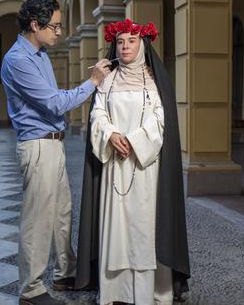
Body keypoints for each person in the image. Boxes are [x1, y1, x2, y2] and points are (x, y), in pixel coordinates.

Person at [0, 0, 111, 305]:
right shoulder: (18, 60)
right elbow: (54, 103)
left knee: (62, 213)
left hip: (54, 144)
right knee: (38, 219)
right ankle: (31, 290)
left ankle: (65, 273)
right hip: (37, 147)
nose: (60, 31)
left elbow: (55, 98)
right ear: (35, 25)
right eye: (56, 26)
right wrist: (93, 82)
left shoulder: (40, 54)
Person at [76, 19, 190, 305]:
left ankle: (148, 291)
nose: (125, 46)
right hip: (114, 165)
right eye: (121, 41)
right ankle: (116, 291)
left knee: (143, 229)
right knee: (117, 230)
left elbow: (161, 121)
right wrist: (112, 134)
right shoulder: (108, 80)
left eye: (132, 40)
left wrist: (135, 141)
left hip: (145, 169)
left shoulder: (154, 81)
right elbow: (97, 114)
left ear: (143, 44)